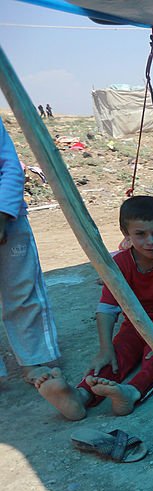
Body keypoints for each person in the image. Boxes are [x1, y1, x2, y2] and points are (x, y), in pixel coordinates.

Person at [36, 197, 153, 420]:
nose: (150, 241)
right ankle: (80, 395)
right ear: (126, 233)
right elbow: (107, 308)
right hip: (135, 323)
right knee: (116, 355)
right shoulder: (119, 263)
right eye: (140, 234)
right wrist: (105, 348)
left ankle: (131, 392)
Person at [0, 118, 61, 386]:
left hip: (7, 220)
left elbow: (10, 165)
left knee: (21, 291)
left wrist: (3, 213)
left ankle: (34, 358)